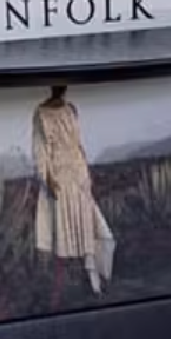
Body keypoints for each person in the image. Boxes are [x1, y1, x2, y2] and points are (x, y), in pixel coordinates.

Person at [32, 85, 115, 297]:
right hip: (59, 177)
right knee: (60, 230)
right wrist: (47, 177)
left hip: (78, 176)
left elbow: (78, 144)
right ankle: (58, 289)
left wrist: (86, 172)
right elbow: (40, 149)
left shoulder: (71, 109)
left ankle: (93, 280)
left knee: (88, 226)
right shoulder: (41, 112)